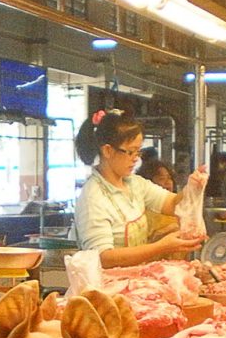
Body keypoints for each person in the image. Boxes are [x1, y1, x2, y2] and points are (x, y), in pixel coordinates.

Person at [74, 109, 205, 267]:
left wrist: (192, 188)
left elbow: (173, 205)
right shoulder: (93, 197)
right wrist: (160, 247)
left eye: (138, 151)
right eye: (130, 152)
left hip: (134, 281)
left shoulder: (134, 183)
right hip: (106, 286)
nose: (136, 159)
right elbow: (103, 257)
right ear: (107, 150)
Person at [136, 158, 180, 245]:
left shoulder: (176, 205)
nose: (168, 182)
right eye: (161, 178)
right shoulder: (141, 212)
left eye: (169, 178)